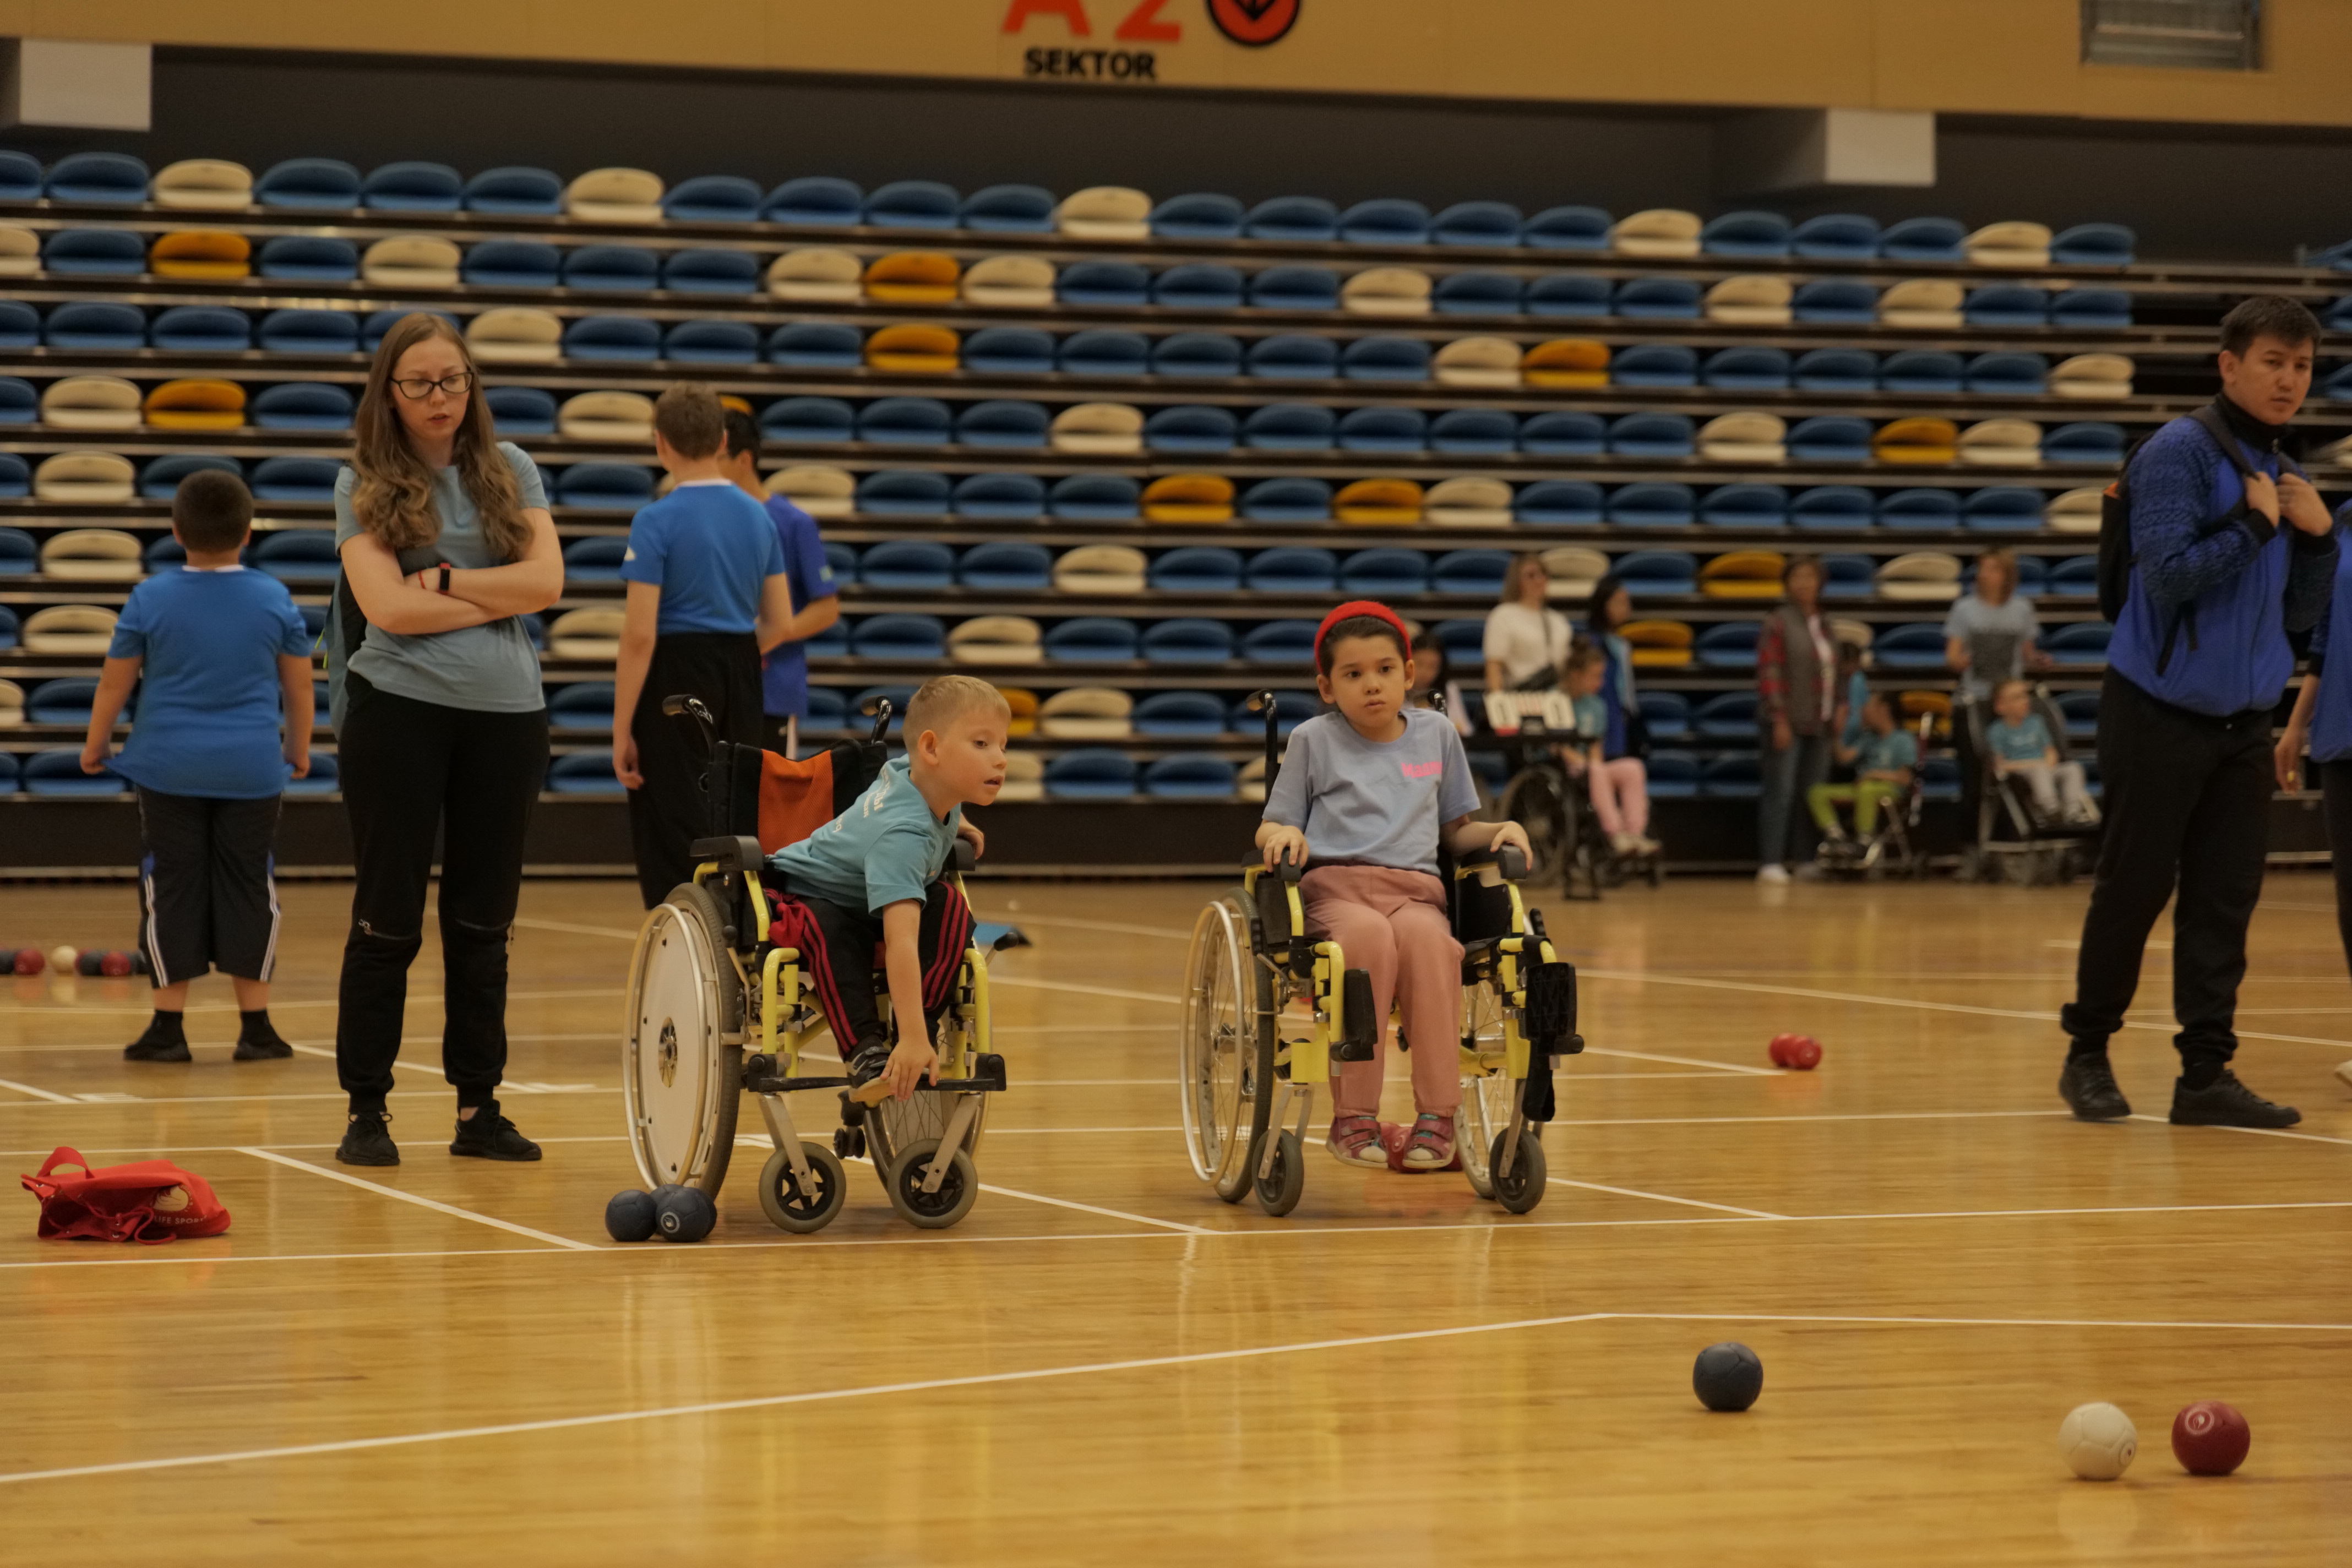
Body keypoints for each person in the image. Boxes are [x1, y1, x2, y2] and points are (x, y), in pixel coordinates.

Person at [2059, 295, 2338, 1131]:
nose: (2290, 380)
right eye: (2273, 363)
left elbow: (2296, 617)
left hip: (2244, 724)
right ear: (2229, 365)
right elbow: (2168, 575)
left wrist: (2317, 543)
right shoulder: (2180, 451)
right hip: (2157, 711)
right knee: (2134, 889)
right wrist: (2257, 528)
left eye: (2302, 366)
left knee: (2225, 900)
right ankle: (2088, 1056)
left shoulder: (2280, 470)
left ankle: (2205, 1076)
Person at [328, 312, 564, 1167]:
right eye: (422, 383)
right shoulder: (359, 478)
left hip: (508, 720)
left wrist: (452, 579)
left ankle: (479, 1110)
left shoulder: (512, 469)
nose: (441, 397)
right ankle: (367, 1111)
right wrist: (492, 597)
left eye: (454, 381)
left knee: (482, 922)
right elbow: (388, 609)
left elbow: (547, 583)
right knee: (386, 921)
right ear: (390, 394)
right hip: (399, 714)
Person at [1259, 601, 1533, 1173]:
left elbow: (1457, 831)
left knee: (1433, 947)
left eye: (1385, 670)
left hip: (1415, 893)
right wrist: (1284, 834)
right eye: (1353, 674)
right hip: (1337, 889)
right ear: (1327, 686)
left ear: (1410, 674)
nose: (1372, 685)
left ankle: (1438, 1115)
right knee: (1367, 942)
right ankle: (1354, 1115)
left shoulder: (1437, 734)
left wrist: (1500, 828)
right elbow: (1272, 820)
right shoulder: (1313, 739)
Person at [79, 470, 312, 1063]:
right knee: (250, 886)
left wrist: (96, 744)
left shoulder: (149, 598)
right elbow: (300, 687)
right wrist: (299, 749)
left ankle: (168, 1028)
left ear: (177, 531)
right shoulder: (273, 597)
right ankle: (256, 1028)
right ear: (249, 531)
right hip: (252, 769)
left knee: (172, 885)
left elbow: (115, 680)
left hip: (168, 768)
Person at [763, 675, 1003, 1101]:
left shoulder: (915, 778)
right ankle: (868, 1050)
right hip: (814, 891)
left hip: (870, 891)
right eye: (982, 745)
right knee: (829, 928)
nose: (1000, 759)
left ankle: (920, 1026)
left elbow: (910, 788)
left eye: (1002, 746)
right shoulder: (902, 837)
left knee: (950, 906)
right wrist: (908, 1036)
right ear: (931, 749)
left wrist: (957, 821)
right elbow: (902, 942)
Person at [612, 384, 796, 908]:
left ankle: (683, 942)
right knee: (734, 810)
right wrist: (734, 652)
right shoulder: (760, 515)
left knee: (673, 818)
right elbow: (780, 621)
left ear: (660, 444)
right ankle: (737, 933)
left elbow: (640, 633)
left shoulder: (655, 519)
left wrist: (623, 726)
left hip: (674, 671)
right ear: (720, 439)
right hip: (741, 665)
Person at [2272, 497, 2352, 1096]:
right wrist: (2298, 723)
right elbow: (2326, 634)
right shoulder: (2344, 518)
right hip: (2342, 733)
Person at [717, 409, 840, 756]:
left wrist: (774, 632)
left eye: (717, 458)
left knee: (770, 801)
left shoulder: (793, 523)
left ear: (744, 460)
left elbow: (827, 608)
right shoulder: (703, 520)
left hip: (771, 691)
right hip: (714, 689)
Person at [1943, 547, 2045, 823]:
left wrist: (2038, 660)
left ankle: (2011, 834)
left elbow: (2027, 652)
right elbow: (1951, 656)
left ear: (2006, 575)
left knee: (2014, 772)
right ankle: (1972, 842)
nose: (1984, 575)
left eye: (1991, 569)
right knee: (1974, 774)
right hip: (1974, 701)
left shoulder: (2022, 609)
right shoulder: (1964, 609)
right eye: (1982, 569)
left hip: (2009, 704)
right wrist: (1960, 661)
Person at [1754, 555, 1836, 883]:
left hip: (1821, 720)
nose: (1804, 584)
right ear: (1787, 583)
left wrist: (1841, 706)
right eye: (1797, 577)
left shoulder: (1826, 623)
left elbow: (1835, 670)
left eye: (1810, 577)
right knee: (1781, 789)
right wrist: (1779, 718)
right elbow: (1769, 673)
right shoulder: (1778, 622)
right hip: (1788, 719)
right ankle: (1771, 860)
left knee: (1812, 791)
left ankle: (1806, 857)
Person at [1562, 639, 1656, 856]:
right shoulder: (1555, 699)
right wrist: (1585, 763)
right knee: (1596, 770)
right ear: (1576, 674)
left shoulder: (1596, 705)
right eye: (1595, 676)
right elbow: (1555, 747)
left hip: (1592, 769)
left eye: (1602, 676)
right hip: (1564, 768)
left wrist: (1593, 762)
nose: (1601, 683)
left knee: (1632, 767)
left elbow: (1596, 747)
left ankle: (1634, 833)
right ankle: (1615, 833)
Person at [1808, 692, 1917, 848]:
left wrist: (1873, 775)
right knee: (1817, 792)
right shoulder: (1868, 739)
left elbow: (1905, 778)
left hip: (1889, 789)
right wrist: (1836, 734)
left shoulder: (1903, 740)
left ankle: (1864, 840)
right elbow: (1844, 758)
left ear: (1884, 709)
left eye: (1868, 706)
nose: (1863, 711)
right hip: (1861, 787)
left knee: (1867, 790)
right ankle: (1835, 836)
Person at [1984, 678, 2096, 825]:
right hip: (2021, 773)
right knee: (2038, 770)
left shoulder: (2036, 723)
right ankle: (2051, 810)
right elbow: (2000, 766)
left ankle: (2073, 812)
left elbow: (2051, 753)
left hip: (2046, 768)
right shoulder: (1997, 731)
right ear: (2001, 706)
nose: (2025, 700)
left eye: (2025, 695)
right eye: (2017, 697)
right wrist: (2032, 765)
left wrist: (2047, 763)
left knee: (2072, 768)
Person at [1483, 553, 1571, 693]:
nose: (1539, 580)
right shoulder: (1503, 615)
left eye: (1543, 574)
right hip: (1520, 697)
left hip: (1554, 698)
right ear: (1517, 581)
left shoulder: (1558, 621)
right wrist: (1498, 702)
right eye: (1531, 575)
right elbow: (1494, 666)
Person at [1408, 629, 1473, 737]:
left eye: (1433, 666)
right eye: (1419, 664)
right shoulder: (1396, 689)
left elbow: (1463, 729)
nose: (1425, 672)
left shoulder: (1449, 689)